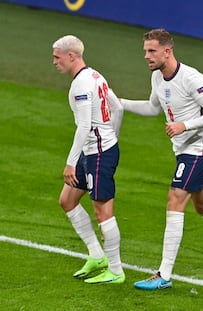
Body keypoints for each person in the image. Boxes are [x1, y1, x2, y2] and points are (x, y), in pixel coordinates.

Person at [120, 28, 203, 290]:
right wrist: (120, 102)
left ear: (167, 51)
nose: (146, 56)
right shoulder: (158, 77)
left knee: (175, 198)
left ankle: (163, 275)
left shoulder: (192, 78)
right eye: (146, 51)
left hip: (199, 149)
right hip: (182, 150)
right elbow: (152, 107)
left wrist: (185, 125)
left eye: (151, 51)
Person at [52, 35, 125, 284]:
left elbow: (84, 125)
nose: (54, 62)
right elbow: (118, 108)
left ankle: (115, 271)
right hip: (95, 150)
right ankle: (97, 255)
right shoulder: (96, 76)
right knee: (67, 200)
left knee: (103, 211)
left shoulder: (82, 84)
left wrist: (71, 161)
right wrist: (112, 137)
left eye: (57, 57)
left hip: (97, 154)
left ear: (71, 56)